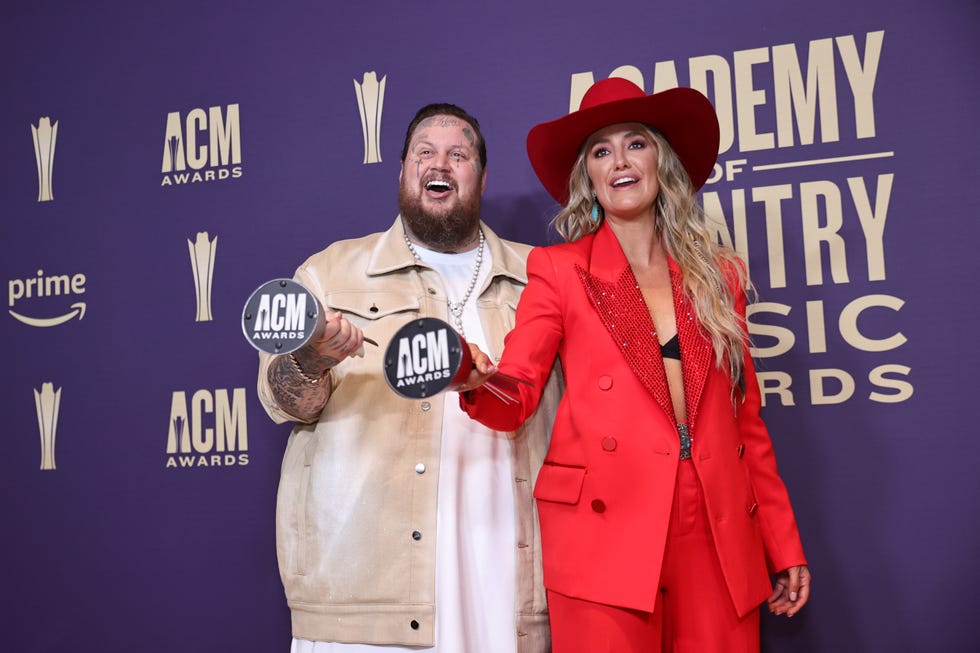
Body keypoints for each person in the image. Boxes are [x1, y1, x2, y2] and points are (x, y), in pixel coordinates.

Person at [459, 78, 811, 652]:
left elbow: (747, 423)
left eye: (635, 143)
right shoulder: (559, 270)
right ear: (588, 179)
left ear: (661, 161)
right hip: (606, 531)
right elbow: (516, 394)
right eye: (601, 151)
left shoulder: (719, 277)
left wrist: (782, 542)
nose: (619, 161)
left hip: (717, 530)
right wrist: (474, 380)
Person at [256, 103, 562, 653]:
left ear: (481, 177)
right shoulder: (330, 272)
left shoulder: (539, 277)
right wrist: (314, 359)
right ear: (402, 169)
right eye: (424, 151)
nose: (438, 163)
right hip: (367, 596)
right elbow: (282, 401)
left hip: (508, 588)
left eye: (457, 154)